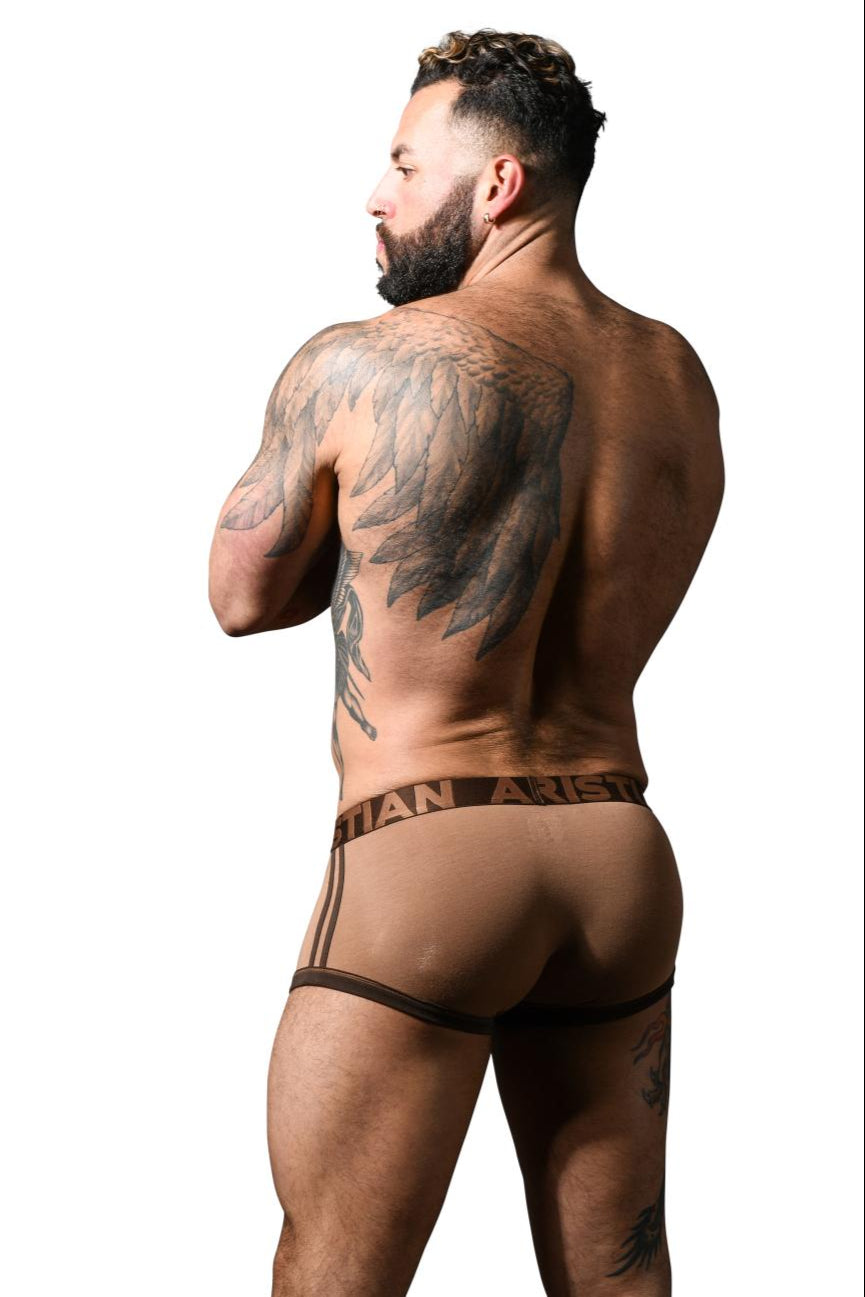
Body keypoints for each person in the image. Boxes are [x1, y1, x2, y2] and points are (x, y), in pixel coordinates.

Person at [208, 27, 724, 1297]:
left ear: (498, 184)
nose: (375, 197)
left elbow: (240, 594)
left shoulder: (358, 363)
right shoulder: (672, 377)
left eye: (402, 164)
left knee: (336, 1272)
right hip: (617, 852)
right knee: (620, 1279)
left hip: (431, 851)